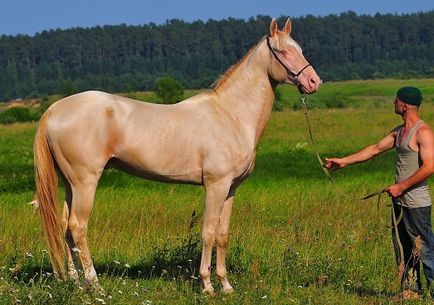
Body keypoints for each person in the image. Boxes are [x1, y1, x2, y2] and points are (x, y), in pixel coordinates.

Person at [325, 86, 434, 300]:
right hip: (400, 203)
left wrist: (401, 187)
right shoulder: (399, 131)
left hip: (416, 203)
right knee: (403, 248)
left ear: (404, 105)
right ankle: (410, 292)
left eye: (396, 101)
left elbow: (430, 166)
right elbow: (375, 149)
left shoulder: (423, 132)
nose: (394, 103)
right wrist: (343, 162)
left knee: (426, 249)